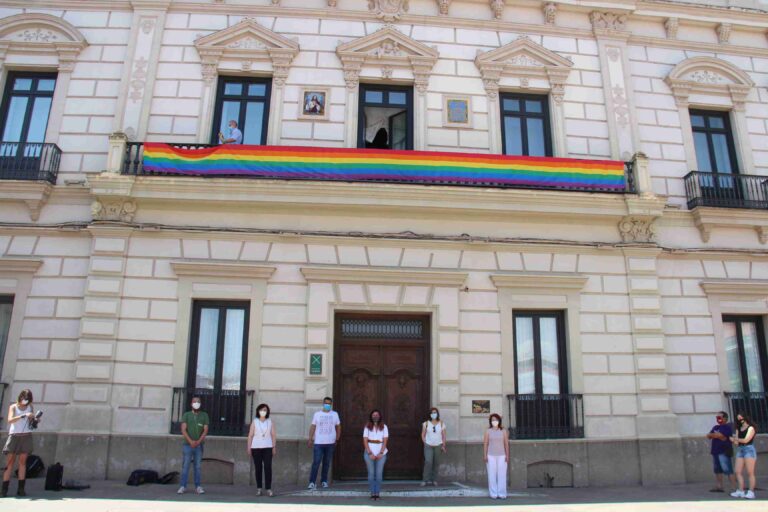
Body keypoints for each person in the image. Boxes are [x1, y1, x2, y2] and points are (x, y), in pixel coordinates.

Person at [2, 389, 38, 497]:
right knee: (10, 463)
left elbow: (31, 422)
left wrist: (35, 419)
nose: (25, 401)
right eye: (24, 398)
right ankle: (4, 490)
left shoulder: (30, 407)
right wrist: (23, 415)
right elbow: (10, 420)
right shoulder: (13, 407)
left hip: (26, 436)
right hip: (14, 436)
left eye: (27, 399)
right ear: (20, 397)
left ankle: (21, 489)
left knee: (22, 463)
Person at [177, 395, 209, 495]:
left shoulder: (204, 415)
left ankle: (198, 486)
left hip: (199, 446)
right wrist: (190, 441)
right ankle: (183, 486)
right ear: (191, 404)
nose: (196, 403)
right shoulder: (186, 415)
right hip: (187, 445)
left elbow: (205, 430)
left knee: (198, 466)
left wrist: (198, 441)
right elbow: (183, 429)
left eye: (198, 401)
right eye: (194, 401)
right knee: (185, 465)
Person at [307, 397, 341, 490]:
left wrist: (337, 438)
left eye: (329, 404)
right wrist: (310, 439)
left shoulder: (335, 414)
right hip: (318, 443)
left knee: (326, 463)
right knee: (316, 462)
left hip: (330, 443)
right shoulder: (317, 414)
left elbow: (338, 427)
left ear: (331, 404)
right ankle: (312, 482)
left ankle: (324, 481)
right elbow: (313, 426)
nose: (327, 405)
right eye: (326, 403)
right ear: (323, 404)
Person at [247, 403, 277, 497]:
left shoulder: (270, 421)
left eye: (265, 410)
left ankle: (268, 488)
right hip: (256, 447)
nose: (263, 411)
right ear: (258, 411)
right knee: (258, 468)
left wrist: (274, 447)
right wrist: (249, 447)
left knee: (268, 467)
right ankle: (259, 488)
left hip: (268, 447)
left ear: (267, 411)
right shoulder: (255, 421)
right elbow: (250, 435)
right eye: (261, 410)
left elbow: (273, 435)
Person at [730, 412, 757, 499]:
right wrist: (733, 440)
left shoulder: (751, 428)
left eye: (741, 418)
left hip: (749, 449)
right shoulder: (738, 428)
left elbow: (746, 440)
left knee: (750, 472)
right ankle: (741, 491)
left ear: (745, 417)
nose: (740, 420)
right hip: (740, 450)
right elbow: (737, 443)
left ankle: (751, 492)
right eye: (738, 418)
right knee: (737, 471)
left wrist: (736, 439)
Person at [706, 411, 735, 493]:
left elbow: (721, 436)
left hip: (724, 451)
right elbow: (708, 435)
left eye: (719, 417)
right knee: (717, 469)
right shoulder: (715, 427)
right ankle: (719, 486)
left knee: (728, 469)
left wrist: (716, 435)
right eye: (717, 417)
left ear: (725, 418)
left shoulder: (727, 427)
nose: (718, 419)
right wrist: (716, 435)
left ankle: (733, 487)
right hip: (715, 451)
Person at [363, 409, 388, 500]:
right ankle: (372, 492)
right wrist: (369, 453)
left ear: (380, 416)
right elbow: (365, 440)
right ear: (371, 416)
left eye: (377, 415)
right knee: (371, 473)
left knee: (379, 474)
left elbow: (385, 440)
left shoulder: (384, 427)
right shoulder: (367, 427)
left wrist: (381, 452)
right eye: (374, 415)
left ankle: (377, 492)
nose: (375, 416)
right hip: (369, 453)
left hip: (381, 453)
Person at [483, 413, 509, 499]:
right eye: (493, 420)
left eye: (496, 419)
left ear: (499, 421)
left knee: (502, 475)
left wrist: (507, 455)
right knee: (492, 475)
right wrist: (485, 455)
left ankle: (502, 493)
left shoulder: (503, 431)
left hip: (502, 455)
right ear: (490, 421)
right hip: (490, 455)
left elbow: (506, 444)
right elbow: (486, 444)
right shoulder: (488, 431)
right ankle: (493, 493)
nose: (494, 421)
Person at [420, 407, 446, 487]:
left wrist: (443, 445)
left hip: (438, 445)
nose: (433, 414)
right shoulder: (426, 423)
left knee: (436, 463)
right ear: (430, 414)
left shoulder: (441, 423)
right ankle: (425, 479)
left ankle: (434, 480)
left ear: (437, 414)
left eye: (435, 412)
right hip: (429, 446)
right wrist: (425, 442)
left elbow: (444, 435)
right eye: (432, 413)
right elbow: (423, 434)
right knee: (428, 462)